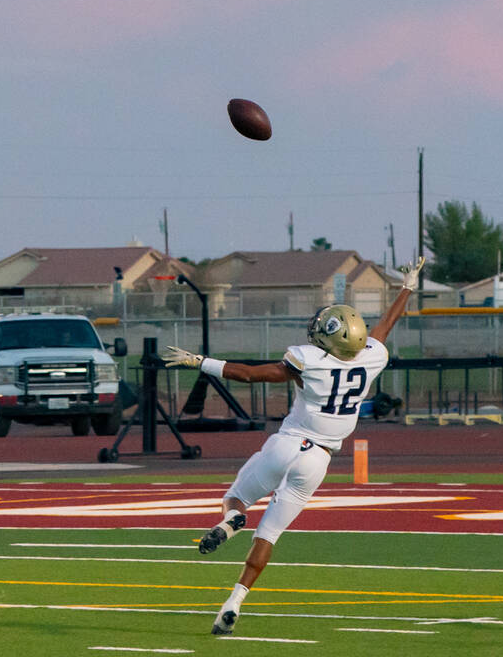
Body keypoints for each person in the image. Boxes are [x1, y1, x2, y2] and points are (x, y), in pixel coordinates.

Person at [161, 256, 424, 636]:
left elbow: (251, 375)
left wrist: (200, 362)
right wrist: (407, 288)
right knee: (269, 535)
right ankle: (234, 601)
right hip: (319, 460)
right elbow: (387, 324)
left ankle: (232, 519)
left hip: (287, 443)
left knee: (236, 497)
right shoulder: (373, 356)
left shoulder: (309, 359)